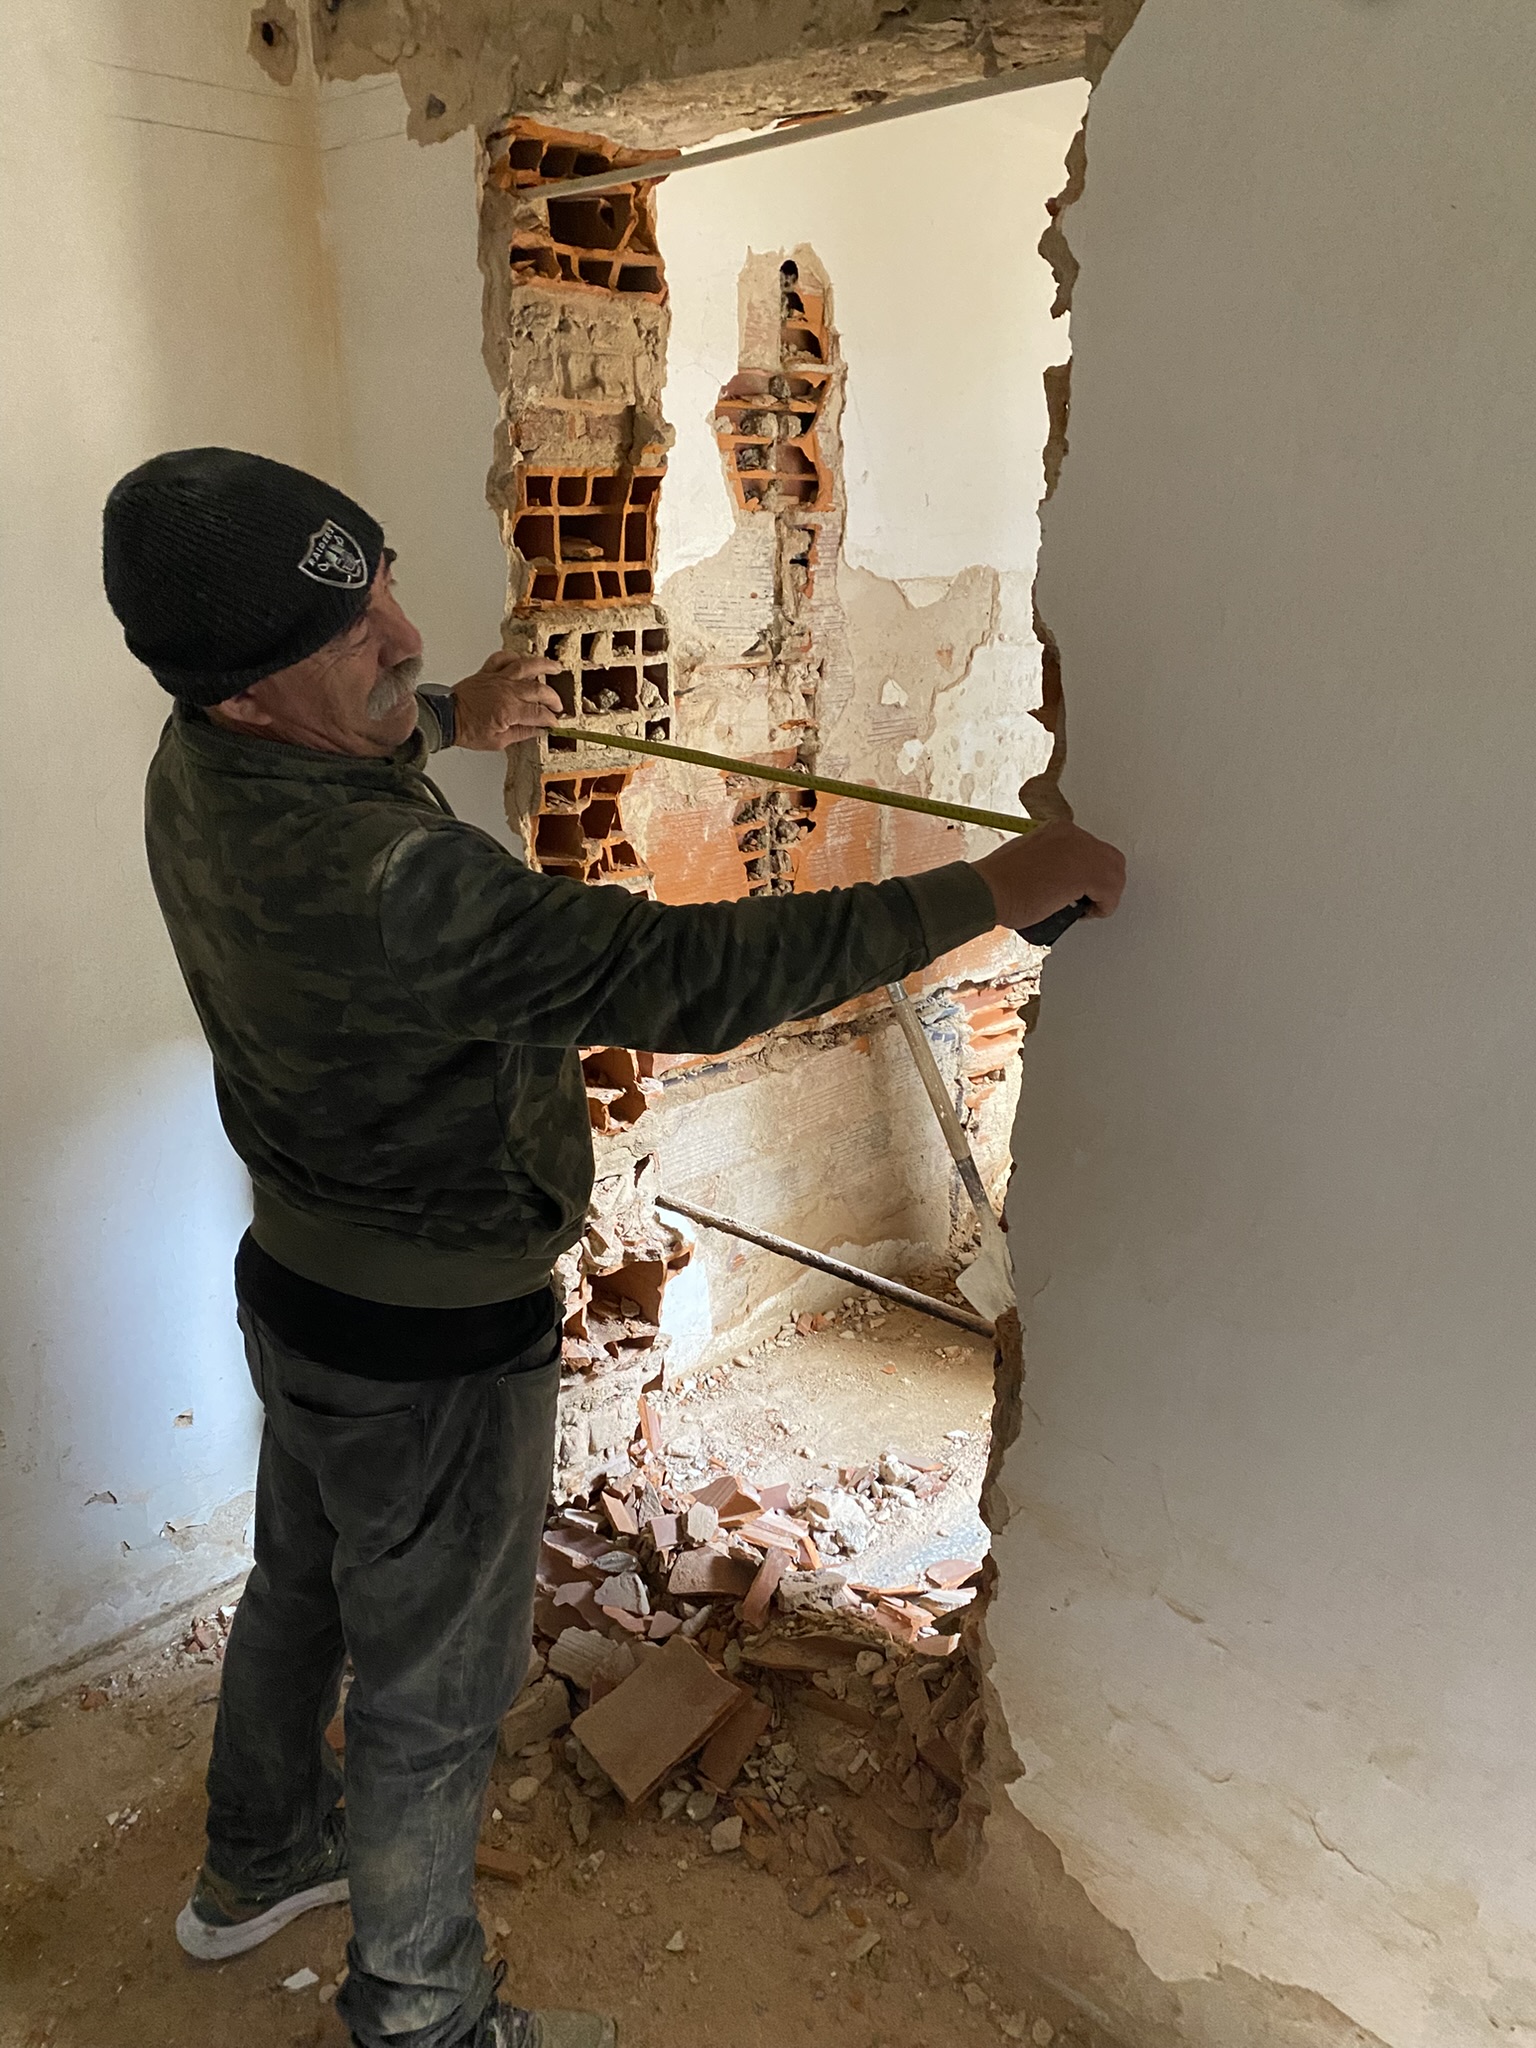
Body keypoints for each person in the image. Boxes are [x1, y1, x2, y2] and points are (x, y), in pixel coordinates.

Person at [102, 447, 1125, 2048]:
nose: (403, 635)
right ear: (244, 693)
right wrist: (996, 886)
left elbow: (353, 753)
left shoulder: (194, 763)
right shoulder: (400, 883)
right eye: (355, 635)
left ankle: (255, 1865)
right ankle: (426, 2019)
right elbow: (685, 974)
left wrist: (454, 723)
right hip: (432, 1349)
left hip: (298, 1294)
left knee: (301, 1581)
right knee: (435, 1707)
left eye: (379, 587)